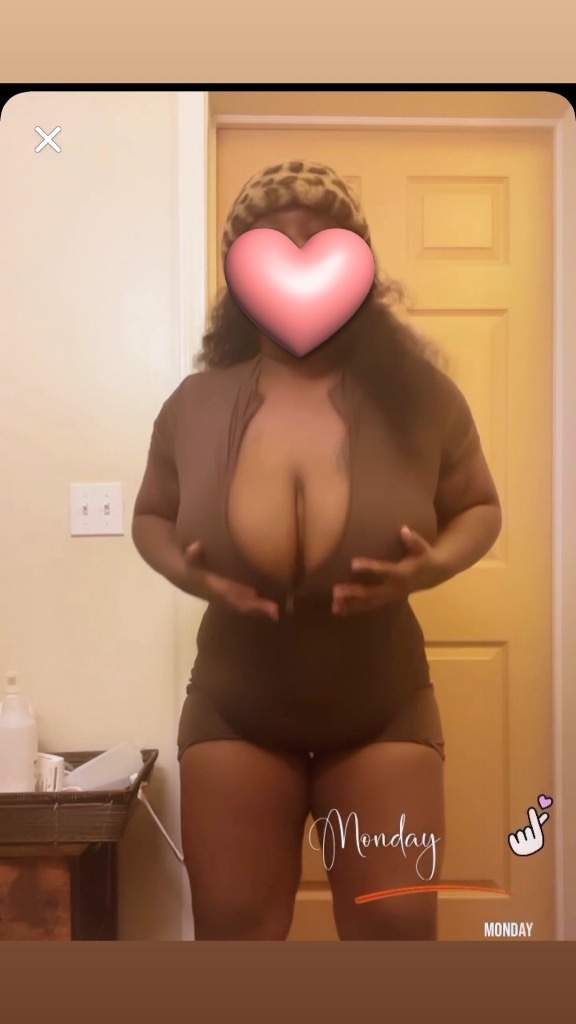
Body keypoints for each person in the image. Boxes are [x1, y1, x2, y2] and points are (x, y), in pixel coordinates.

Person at [132, 159, 502, 941]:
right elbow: (151, 518)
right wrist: (186, 572)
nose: (298, 251)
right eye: (274, 239)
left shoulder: (421, 399)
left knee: (395, 929)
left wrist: (437, 564)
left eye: (321, 237)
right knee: (235, 934)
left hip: (382, 706)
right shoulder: (194, 405)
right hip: (236, 708)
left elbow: (479, 506)